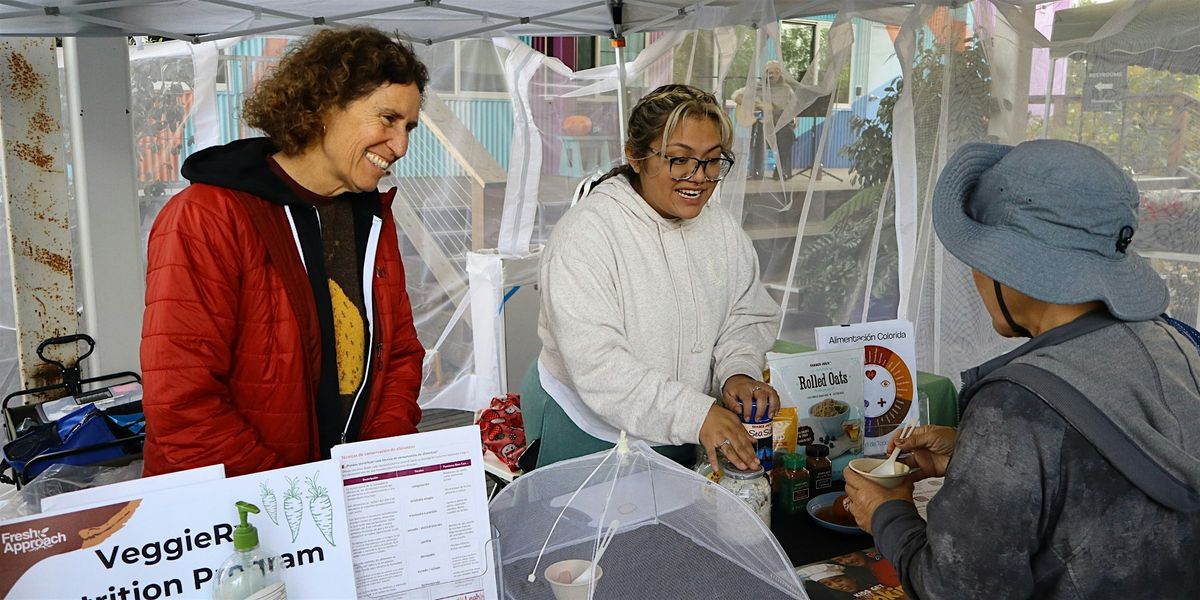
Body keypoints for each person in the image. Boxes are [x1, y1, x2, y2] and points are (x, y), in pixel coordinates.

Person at [841, 140, 1200, 598]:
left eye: (980, 259)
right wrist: (975, 460)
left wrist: (888, 515)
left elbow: (960, 590)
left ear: (1016, 267)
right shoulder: (1176, 345)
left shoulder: (1016, 406)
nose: (974, 276)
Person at [140, 27, 428, 477]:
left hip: (343, 501)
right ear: (323, 106)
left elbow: (401, 356)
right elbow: (182, 402)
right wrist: (292, 499)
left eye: (408, 127)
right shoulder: (206, 216)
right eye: (387, 119)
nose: (401, 146)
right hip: (239, 519)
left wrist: (376, 470)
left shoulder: (370, 217)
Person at [526, 84, 782, 472]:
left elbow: (744, 313)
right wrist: (697, 415)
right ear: (635, 156)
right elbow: (600, 367)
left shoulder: (722, 231)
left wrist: (739, 370)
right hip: (588, 430)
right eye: (680, 159)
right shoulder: (587, 235)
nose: (699, 177)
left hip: (685, 427)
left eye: (713, 161)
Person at [732, 60, 798, 180]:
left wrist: (774, 109)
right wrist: (753, 105)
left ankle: (779, 171)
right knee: (758, 134)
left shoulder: (786, 89)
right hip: (761, 123)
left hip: (779, 123)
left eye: (776, 72)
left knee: (788, 135)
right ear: (765, 73)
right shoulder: (756, 86)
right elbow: (736, 96)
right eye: (770, 72)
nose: (773, 75)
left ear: (781, 74)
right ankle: (756, 172)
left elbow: (792, 109)